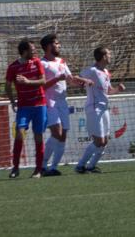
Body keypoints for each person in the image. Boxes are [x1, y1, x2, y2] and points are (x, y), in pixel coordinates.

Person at [40, 34, 93, 176]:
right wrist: (57, 78)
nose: (59, 46)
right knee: (57, 133)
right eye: (56, 43)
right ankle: (42, 165)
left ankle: (53, 168)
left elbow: (70, 79)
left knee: (63, 136)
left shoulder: (62, 61)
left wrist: (83, 81)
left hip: (63, 101)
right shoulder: (42, 64)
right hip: (50, 102)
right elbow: (41, 86)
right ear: (48, 46)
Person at [75, 47, 126, 174]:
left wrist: (118, 89)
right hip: (94, 108)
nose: (110, 56)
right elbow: (74, 78)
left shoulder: (106, 72)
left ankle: (91, 166)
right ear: (103, 57)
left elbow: (109, 91)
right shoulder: (92, 70)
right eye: (109, 54)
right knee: (99, 141)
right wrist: (84, 80)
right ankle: (80, 165)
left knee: (105, 141)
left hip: (104, 109)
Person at [5, 39, 47, 178]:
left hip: (39, 105)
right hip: (24, 106)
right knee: (19, 133)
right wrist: (12, 101)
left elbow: (43, 81)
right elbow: (7, 86)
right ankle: (15, 168)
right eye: (32, 49)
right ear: (24, 51)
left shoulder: (36, 62)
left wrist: (28, 82)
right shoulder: (13, 67)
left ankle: (38, 170)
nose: (34, 51)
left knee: (38, 136)